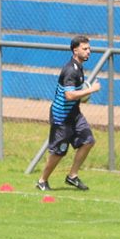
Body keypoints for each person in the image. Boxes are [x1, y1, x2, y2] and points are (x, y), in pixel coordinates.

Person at [37, 34, 100, 193]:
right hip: (61, 117)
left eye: (89, 48)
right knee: (59, 152)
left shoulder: (79, 67)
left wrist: (83, 96)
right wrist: (90, 90)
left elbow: (73, 94)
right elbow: (69, 95)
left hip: (74, 114)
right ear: (75, 50)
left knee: (88, 141)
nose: (88, 52)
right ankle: (42, 180)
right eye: (85, 49)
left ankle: (72, 176)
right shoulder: (71, 70)